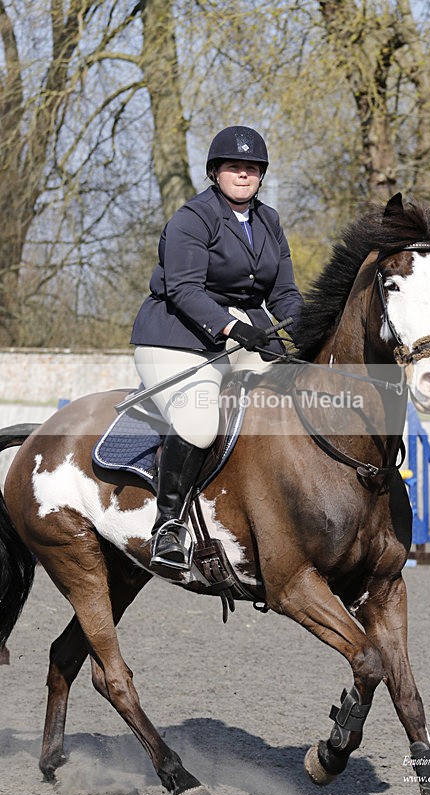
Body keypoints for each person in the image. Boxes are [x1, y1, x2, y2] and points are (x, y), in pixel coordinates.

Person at [130, 125, 303, 574]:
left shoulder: (270, 221)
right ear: (215, 172)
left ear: (261, 175)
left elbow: (283, 292)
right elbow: (184, 290)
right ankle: (167, 527)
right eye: (234, 167)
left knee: (300, 395)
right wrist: (230, 326)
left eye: (252, 168)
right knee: (200, 420)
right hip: (177, 336)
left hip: (245, 334)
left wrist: (307, 329)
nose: (243, 175)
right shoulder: (192, 218)